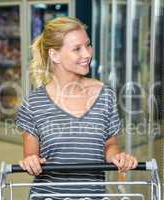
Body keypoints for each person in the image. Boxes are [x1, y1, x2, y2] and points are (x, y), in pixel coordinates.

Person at [16, 16, 138, 200]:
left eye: (88, 45)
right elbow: (31, 156)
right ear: (54, 55)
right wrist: (31, 161)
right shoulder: (33, 104)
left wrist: (118, 157)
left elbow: (110, 146)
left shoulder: (105, 96)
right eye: (77, 49)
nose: (87, 54)